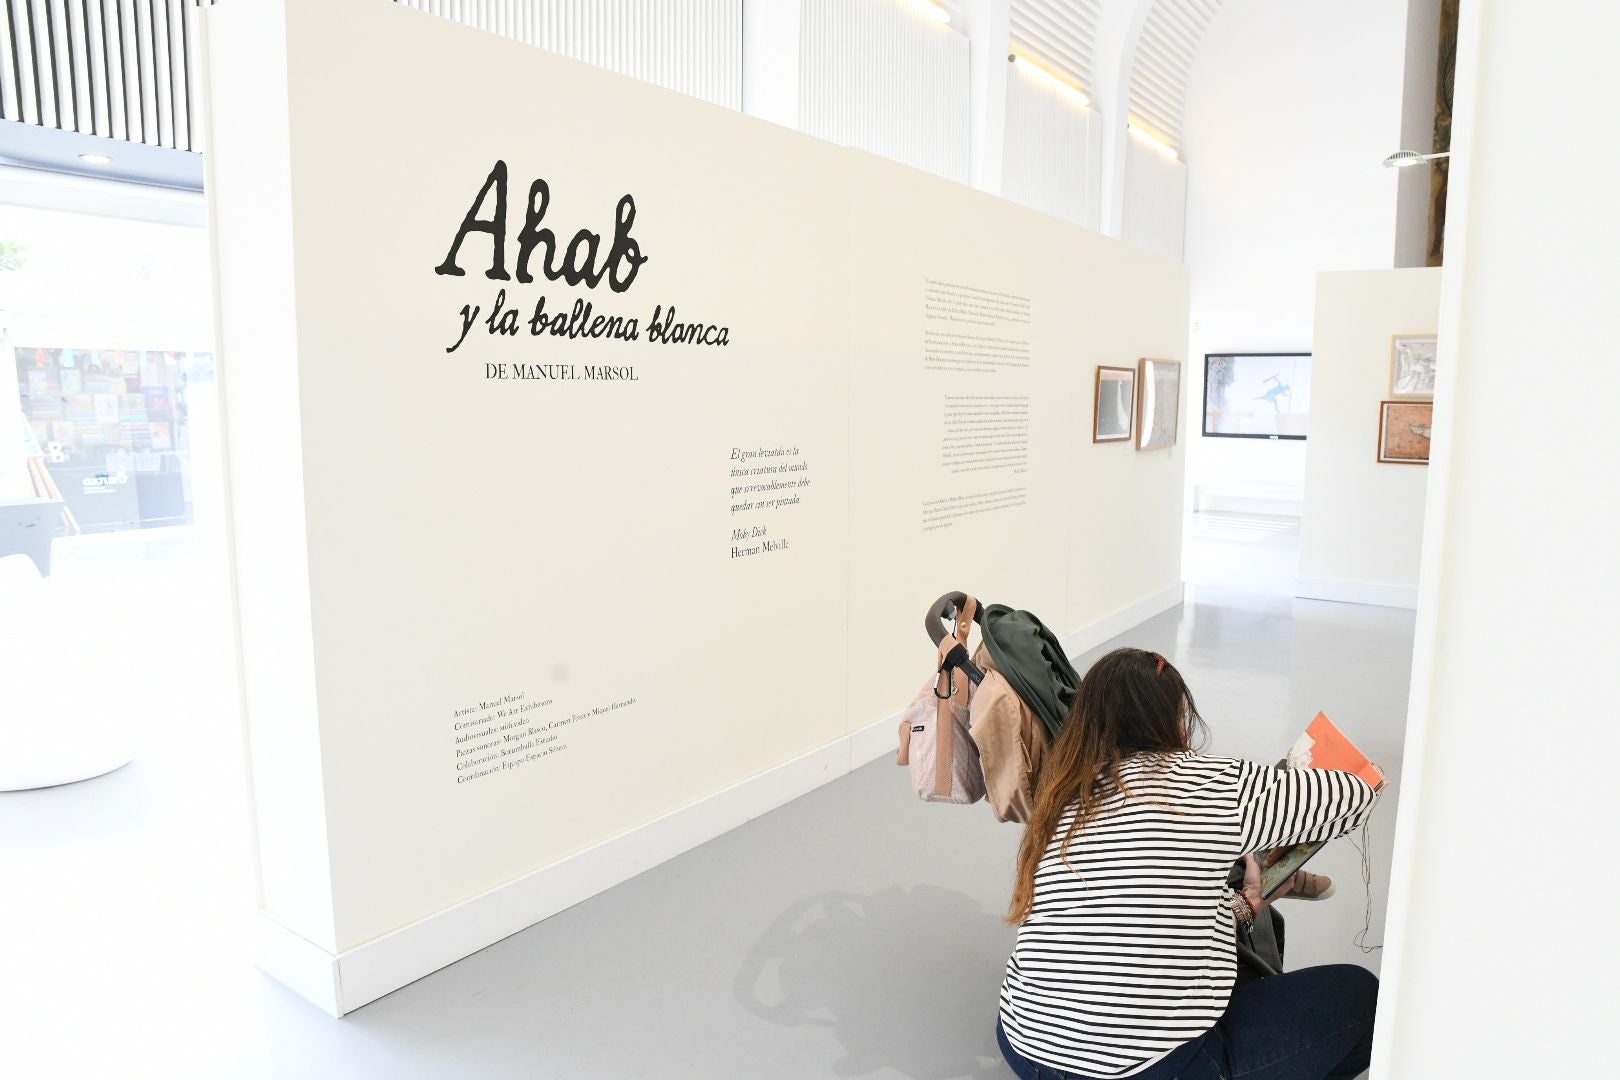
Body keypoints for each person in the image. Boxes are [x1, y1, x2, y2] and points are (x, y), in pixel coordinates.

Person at [996, 648, 1380, 1080]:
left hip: (1024, 1046)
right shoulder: (1213, 784)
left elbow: (1140, 911)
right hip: (1141, 1070)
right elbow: (1356, 796)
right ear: (1175, 718)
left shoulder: (1064, 794)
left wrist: (1247, 905)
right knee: (1362, 996)